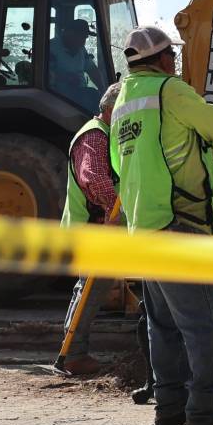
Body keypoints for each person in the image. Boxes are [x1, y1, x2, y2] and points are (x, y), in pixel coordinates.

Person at [109, 26, 213, 425]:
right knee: (207, 323)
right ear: (160, 60)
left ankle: (170, 407)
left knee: (164, 326)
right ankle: (207, 414)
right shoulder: (169, 90)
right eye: (171, 57)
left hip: (144, 227)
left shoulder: (123, 101)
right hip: (179, 224)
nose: (175, 63)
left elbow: (120, 169)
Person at [54, 83, 122, 378]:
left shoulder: (101, 134)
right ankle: (72, 355)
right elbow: (93, 179)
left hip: (96, 228)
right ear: (111, 110)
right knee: (90, 291)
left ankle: (71, 353)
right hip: (93, 229)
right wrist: (117, 208)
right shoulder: (95, 136)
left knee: (90, 290)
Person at [49, 17, 105, 111]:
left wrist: (103, 90)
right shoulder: (52, 48)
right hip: (58, 96)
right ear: (69, 33)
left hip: (80, 94)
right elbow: (46, 76)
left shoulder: (81, 49)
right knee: (92, 96)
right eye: (81, 37)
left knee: (97, 97)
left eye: (85, 38)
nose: (83, 42)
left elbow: (92, 70)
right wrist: (66, 78)